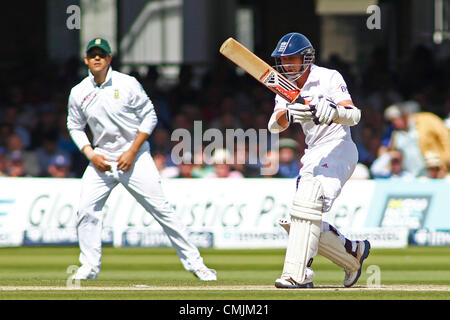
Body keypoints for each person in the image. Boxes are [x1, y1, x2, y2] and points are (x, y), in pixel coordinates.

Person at [66, 38, 216, 281]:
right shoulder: (79, 92)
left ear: (109, 59)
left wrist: (131, 151)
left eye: (101, 55)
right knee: (86, 210)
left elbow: (149, 117)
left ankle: (197, 265)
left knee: (162, 211)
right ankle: (89, 267)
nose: (97, 58)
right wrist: (90, 153)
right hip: (100, 159)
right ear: (86, 59)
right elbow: (74, 126)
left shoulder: (128, 84)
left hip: (135, 158)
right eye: (92, 55)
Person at [267, 32, 370, 288]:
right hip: (313, 154)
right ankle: (352, 253)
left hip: (339, 148)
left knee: (307, 205)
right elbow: (274, 125)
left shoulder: (328, 77)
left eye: (292, 59)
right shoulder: (285, 88)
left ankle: (298, 275)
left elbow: (354, 115)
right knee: (299, 219)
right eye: (283, 60)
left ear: (306, 58)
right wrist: (289, 113)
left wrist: (333, 112)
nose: (287, 65)